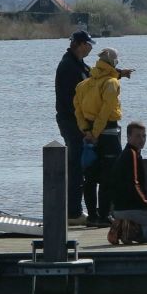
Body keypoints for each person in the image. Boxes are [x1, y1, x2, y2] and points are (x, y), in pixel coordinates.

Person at [74, 47, 132, 226]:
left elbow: (78, 110)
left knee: (90, 177)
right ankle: (105, 216)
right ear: (112, 63)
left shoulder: (83, 85)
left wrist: (87, 131)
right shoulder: (111, 83)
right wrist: (97, 132)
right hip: (108, 135)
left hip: (89, 135)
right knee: (109, 177)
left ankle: (92, 216)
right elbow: (106, 110)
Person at [54, 30, 94, 224]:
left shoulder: (78, 64)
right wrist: (84, 124)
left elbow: (95, 79)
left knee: (80, 166)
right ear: (79, 44)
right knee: (76, 166)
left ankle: (76, 211)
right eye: (88, 44)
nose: (91, 47)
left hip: (77, 122)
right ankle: (73, 213)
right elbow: (72, 100)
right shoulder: (68, 67)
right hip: (72, 122)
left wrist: (117, 74)